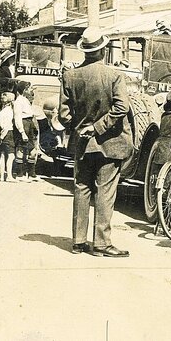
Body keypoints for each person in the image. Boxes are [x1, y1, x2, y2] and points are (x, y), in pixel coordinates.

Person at [59, 28, 133, 258]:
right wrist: (99, 127)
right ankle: (101, 243)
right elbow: (122, 107)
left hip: (82, 143)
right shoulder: (114, 75)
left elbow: (63, 114)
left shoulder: (70, 76)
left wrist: (81, 127)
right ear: (102, 50)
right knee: (105, 192)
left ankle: (78, 242)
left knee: (81, 189)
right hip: (110, 142)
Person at [13, 80, 38, 182]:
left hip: (29, 123)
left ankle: (31, 174)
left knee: (32, 150)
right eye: (28, 88)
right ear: (23, 90)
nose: (30, 90)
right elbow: (17, 117)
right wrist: (22, 132)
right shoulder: (18, 101)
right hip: (23, 124)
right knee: (21, 149)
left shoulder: (26, 100)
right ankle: (20, 174)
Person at [0, 90, 17, 182]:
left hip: (1, 134)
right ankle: (9, 176)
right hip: (8, 134)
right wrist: (2, 136)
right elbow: (7, 126)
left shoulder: (2, 111)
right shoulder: (10, 112)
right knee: (11, 156)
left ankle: (2, 176)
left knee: (3, 155)